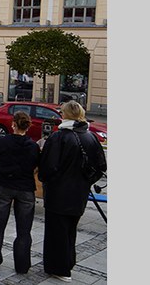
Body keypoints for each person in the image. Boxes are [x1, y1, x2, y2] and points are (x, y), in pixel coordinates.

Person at [38, 101, 107, 282]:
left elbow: (47, 168)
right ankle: (67, 263)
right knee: (70, 231)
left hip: (58, 194)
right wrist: (85, 182)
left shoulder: (59, 137)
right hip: (79, 194)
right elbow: (101, 167)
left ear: (65, 115)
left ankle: (59, 268)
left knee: (56, 233)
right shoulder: (90, 137)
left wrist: (50, 181)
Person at [0, 111, 40, 274]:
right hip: (25, 187)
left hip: (5, 185)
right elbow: (35, 165)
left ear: (13, 124)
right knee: (24, 229)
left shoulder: (3, 142)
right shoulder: (33, 146)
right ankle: (22, 264)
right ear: (28, 127)